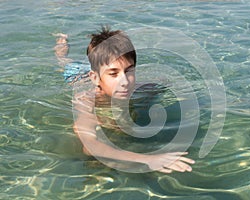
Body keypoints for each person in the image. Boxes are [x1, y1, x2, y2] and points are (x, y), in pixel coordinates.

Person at [53, 26, 195, 173]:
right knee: (64, 62)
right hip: (78, 77)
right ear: (95, 78)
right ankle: (61, 44)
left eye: (129, 71)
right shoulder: (86, 101)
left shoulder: (144, 89)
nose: (125, 82)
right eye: (114, 74)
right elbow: (90, 146)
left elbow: (166, 83)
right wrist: (148, 159)